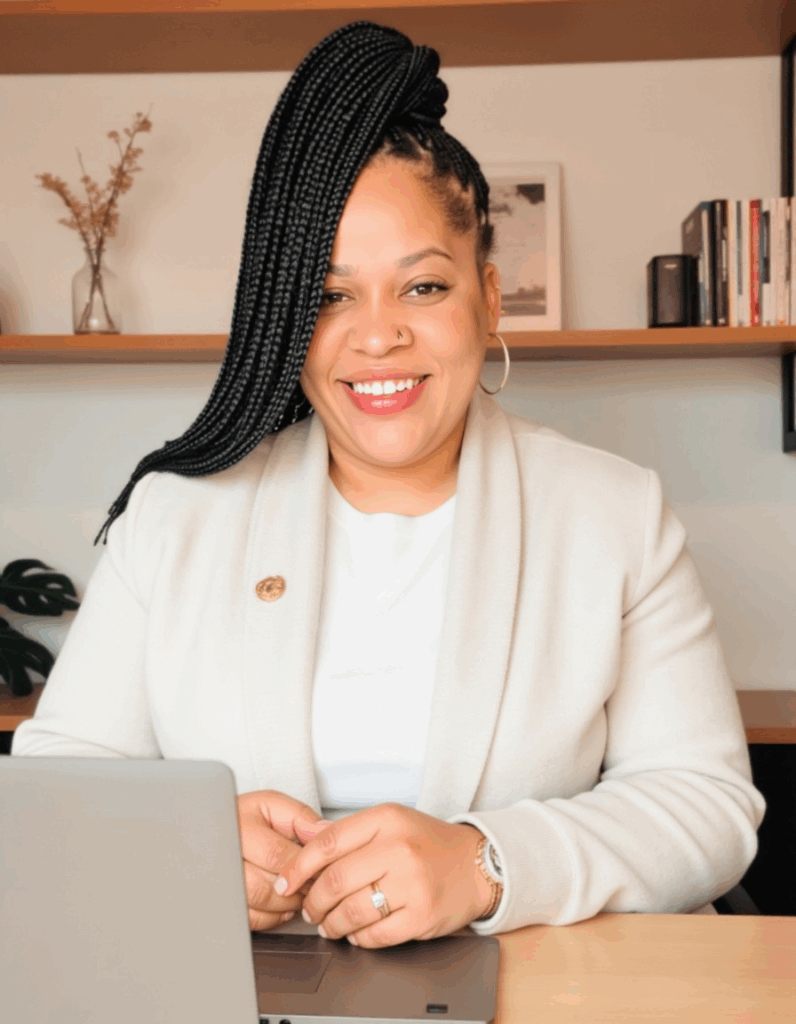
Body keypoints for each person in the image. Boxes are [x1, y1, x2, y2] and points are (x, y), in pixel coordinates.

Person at [13, 21, 764, 949]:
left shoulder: (615, 514)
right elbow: (57, 786)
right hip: (239, 988)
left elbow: (706, 804)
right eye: (331, 296)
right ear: (287, 319)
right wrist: (187, 848)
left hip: (521, 985)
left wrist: (487, 862)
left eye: (423, 288)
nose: (377, 337)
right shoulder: (175, 516)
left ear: (490, 299)